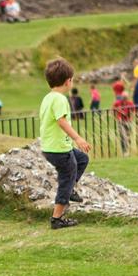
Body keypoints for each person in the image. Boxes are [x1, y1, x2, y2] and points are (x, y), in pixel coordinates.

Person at [39, 58, 91, 230]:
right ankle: (57, 218)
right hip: (58, 148)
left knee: (82, 159)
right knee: (67, 178)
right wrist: (78, 138)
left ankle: (70, 191)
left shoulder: (48, 98)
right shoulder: (60, 99)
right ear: (68, 81)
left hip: (50, 147)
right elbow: (61, 121)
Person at [113, 91, 136, 156]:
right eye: (124, 97)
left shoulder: (130, 103)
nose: (125, 98)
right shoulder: (117, 103)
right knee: (123, 136)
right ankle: (125, 152)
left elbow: (133, 112)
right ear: (122, 97)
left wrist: (131, 119)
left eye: (126, 97)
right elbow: (112, 111)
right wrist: (117, 117)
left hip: (128, 122)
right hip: (121, 122)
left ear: (128, 97)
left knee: (128, 137)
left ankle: (128, 151)